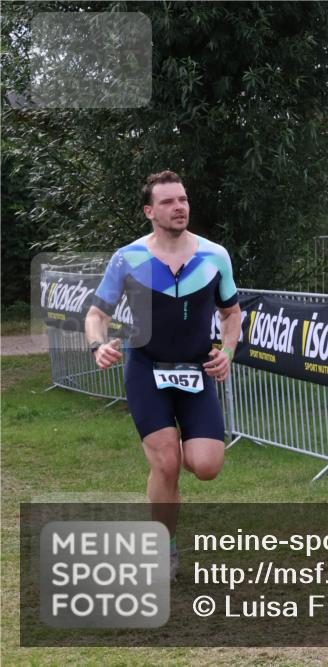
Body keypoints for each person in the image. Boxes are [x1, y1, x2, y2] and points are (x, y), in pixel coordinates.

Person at [85, 170, 242, 581]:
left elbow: (232, 314)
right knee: (167, 462)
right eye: (170, 202)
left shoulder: (215, 256)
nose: (180, 207)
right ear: (149, 211)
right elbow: (96, 314)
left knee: (205, 466)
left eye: (183, 199)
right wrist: (98, 344)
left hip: (195, 370)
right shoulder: (128, 257)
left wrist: (227, 350)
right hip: (146, 368)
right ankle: (164, 548)